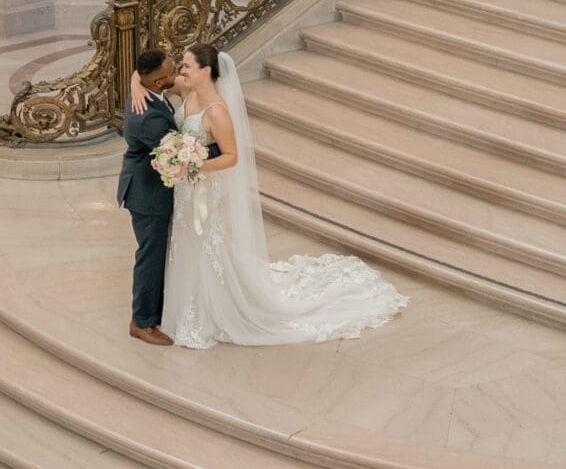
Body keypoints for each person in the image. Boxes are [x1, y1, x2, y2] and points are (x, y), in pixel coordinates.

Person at [161, 42, 406, 348]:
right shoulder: (189, 91)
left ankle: (211, 311)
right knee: (185, 239)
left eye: (186, 65)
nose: (181, 70)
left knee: (206, 241)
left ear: (206, 71)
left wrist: (194, 164)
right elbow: (154, 78)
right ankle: (187, 306)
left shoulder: (218, 112)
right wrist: (135, 87)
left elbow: (232, 156)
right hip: (186, 186)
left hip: (203, 186)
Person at [117, 46, 200, 347]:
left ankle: (157, 309)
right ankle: (142, 322)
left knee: (157, 253)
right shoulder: (147, 117)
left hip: (148, 186)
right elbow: (178, 154)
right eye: (170, 72)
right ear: (157, 82)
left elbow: (138, 74)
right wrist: (214, 151)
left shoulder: (147, 87)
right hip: (147, 194)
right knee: (150, 257)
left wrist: (134, 81)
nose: (175, 73)